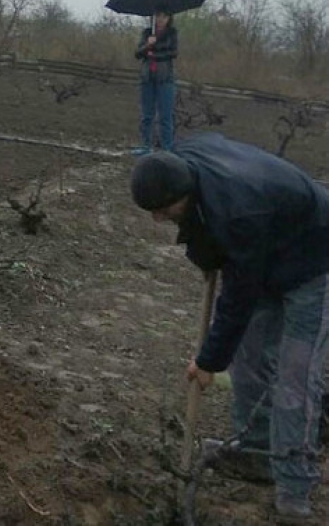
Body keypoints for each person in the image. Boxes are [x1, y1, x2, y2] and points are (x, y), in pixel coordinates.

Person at [130, 132, 329, 520]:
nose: (157, 218)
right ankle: (254, 453)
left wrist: (208, 362)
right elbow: (212, 239)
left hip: (315, 260)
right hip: (270, 247)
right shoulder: (184, 160)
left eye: (163, 209)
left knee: (296, 378)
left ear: (183, 192)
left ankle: (294, 483)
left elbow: (237, 298)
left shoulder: (239, 214)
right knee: (249, 359)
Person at [132, 9, 178, 155]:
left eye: (164, 16)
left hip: (165, 78)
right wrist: (147, 45)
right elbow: (138, 53)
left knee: (165, 116)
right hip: (147, 78)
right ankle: (146, 145)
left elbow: (173, 53)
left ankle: (167, 148)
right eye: (158, 16)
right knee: (147, 115)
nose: (161, 19)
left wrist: (154, 50)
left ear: (169, 18)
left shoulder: (172, 33)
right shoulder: (147, 33)